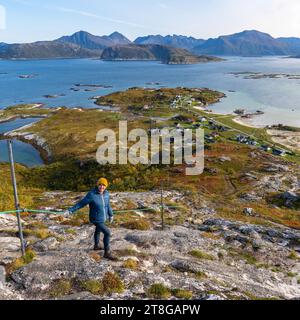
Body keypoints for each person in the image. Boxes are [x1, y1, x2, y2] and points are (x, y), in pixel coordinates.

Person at [64, 178, 117, 261]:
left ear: (106, 186)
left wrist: (111, 215)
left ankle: (96, 246)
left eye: (104, 185)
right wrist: (70, 211)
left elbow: (108, 205)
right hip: (95, 218)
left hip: (103, 218)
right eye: (100, 184)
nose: (101, 187)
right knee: (107, 233)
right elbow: (81, 203)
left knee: (98, 230)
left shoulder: (106, 194)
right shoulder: (92, 194)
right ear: (97, 184)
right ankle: (107, 252)